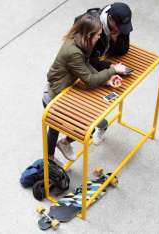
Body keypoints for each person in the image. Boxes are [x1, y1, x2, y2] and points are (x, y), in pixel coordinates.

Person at [42, 14, 127, 162]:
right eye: (98, 35)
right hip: (55, 96)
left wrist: (106, 80)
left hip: (65, 91)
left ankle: (56, 151)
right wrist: (113, 70)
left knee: (61, 127)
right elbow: (90, 80)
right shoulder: (73, 51)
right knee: (87, 124)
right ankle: (59, 149)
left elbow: (86, 67)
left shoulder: (79, 43)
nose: (99, 38)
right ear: (89, 35)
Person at [75, 2, 133, 71]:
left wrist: (114, 40)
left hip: (100, 57)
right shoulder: (91, 27)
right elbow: (86, 60)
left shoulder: (121, 23)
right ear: (110, 18)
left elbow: (123, 50)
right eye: (119, 26)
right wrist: (112, 67)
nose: (122, 30)